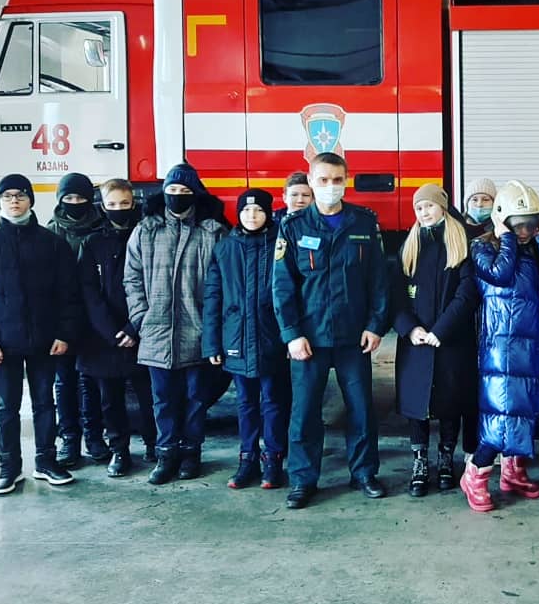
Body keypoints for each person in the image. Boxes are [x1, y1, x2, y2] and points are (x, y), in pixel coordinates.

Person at [272, 152, 390, 509]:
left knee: (361, 409)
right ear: (310, 181)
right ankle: (303, 480)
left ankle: (364, 473)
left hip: (354, 337)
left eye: (337, 180)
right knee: (305, 412)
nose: (330, 186)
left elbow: (378, 281)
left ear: (346, 181)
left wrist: (375, 325)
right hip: (310, 339)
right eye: (323, 180)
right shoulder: (293, 227)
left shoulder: (363, 223)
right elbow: (282, 286)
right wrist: (291, 334)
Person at [0, 174, 83, 493]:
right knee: (6, 408)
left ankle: (46, 462)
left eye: (21, 195)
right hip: (3, 344)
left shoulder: (52, 244)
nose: (14, 201)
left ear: (31, 200)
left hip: (45, 341)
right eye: (7, 196)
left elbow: (69, 295)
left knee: (45, 403)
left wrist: (64, 333)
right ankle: (8, 468)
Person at [124, 163, 227, 484]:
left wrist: (213, 327)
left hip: (198, 330)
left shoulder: (213, 232)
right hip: (156, 331)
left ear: (196, 194)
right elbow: (132, 278)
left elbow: (224, 284)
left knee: (196, 398)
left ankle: (191, 452)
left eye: (184, 191)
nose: (178, 196)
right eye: (172, 190)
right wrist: (141, 318)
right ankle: (166, 453)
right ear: (163, 193)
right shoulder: (146, 230)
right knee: (163, 399)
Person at [462, 180, 539, 513]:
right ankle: (475, 476)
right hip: (502, 348)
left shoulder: (531, 245)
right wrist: (505, 236)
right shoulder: (482, 247)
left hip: (533, 344)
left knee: (528, 409)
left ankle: (513, 472)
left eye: (531, 224)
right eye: (519, 225)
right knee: (501, 416)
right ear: (502, 220)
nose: (525, 232)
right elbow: (500, 275)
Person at [391, 184, 479, 497]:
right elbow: (395, 296)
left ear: (442, 206)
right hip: (416, 342)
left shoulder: (460, 244)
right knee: (417, 402)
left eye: (429, 206)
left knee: (450, 400)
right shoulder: (409, 246)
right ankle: (420, 461)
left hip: (451, 341)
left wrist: (441, 331)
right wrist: (409, 329)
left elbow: (466, 295)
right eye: (419, 208)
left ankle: (445, 458)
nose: (424, 212)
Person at [204, 189, 290, 490]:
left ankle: (274, 459)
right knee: (245, 403)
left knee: (273, 402)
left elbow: (293, 293)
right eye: (245, 211)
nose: (252, 216)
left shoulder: (281, 245)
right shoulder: (224, 249)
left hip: (272, 338)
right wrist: (212, 343)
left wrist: (290, 337)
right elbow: (213, 298)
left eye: (258, 211)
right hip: (236, 339)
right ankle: (247, 458)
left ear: (269, 214)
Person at [77, 178, 157, 477]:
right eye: (112, 204)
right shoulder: (92, 243)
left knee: (150, 396)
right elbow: (88, 292)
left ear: (133, 203)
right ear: (102, 205)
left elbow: (154, 285)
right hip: (104, 336)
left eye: (124, 203)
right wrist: (112, 332)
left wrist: (134, 327)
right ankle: (119, 450)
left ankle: (154, 445)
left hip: (143, 330)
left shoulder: (147, 236)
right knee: (110, 400)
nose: (118, 209)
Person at [47, 172, 108, 467]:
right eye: (68, 197)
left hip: (94, 319)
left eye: (81, 197)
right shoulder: (50, 233)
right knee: (64, 381)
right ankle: (69, 439)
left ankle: (94, 436)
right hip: (61, 321)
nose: (75, 202)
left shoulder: (102, 227)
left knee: (91, 381)